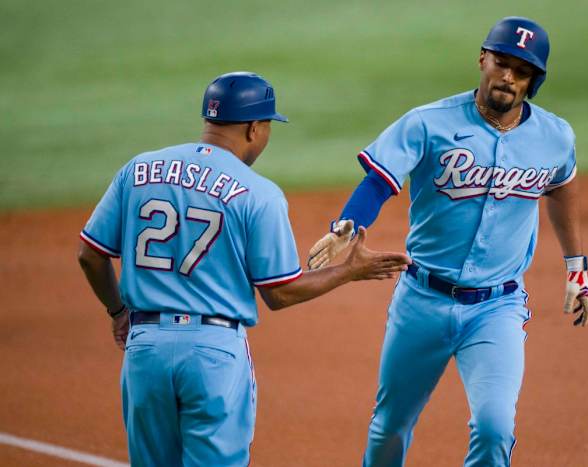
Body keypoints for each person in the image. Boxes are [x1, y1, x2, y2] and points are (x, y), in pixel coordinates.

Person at [77, 71, 410, 467]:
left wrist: (118, 313)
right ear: (255, 127)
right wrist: (349, 271)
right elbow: (280, 292)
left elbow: (90, 255)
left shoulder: (139, 169)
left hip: (144, 349)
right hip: (212, 354)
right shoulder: (258, 193)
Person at [307, 17, 588, 467]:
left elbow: (562, 185)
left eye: (522, 71)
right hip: (422, 300)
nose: (508, 77)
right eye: (501, 63)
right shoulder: (428, 123)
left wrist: (577, 268)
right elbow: (380, 180)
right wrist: (347, 223)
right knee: (390, 427)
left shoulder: (555, 137)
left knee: (495, 428)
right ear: (483, 59)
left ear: (534, 81)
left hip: (497, 308)